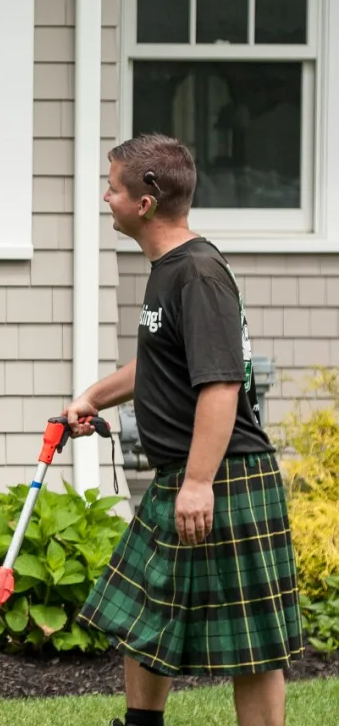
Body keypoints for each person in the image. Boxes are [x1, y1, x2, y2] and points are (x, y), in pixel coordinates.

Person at [63, 134, 301, 726]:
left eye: (113, 187)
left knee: (253, 645)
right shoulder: (170, 270)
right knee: (144, 614)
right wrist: (94, 394)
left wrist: (199, 482)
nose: (105, 196)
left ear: (144, 201)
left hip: (226, 475)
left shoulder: (197, 273)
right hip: (186, 474)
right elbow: (165, 360)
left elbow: (219, 385)